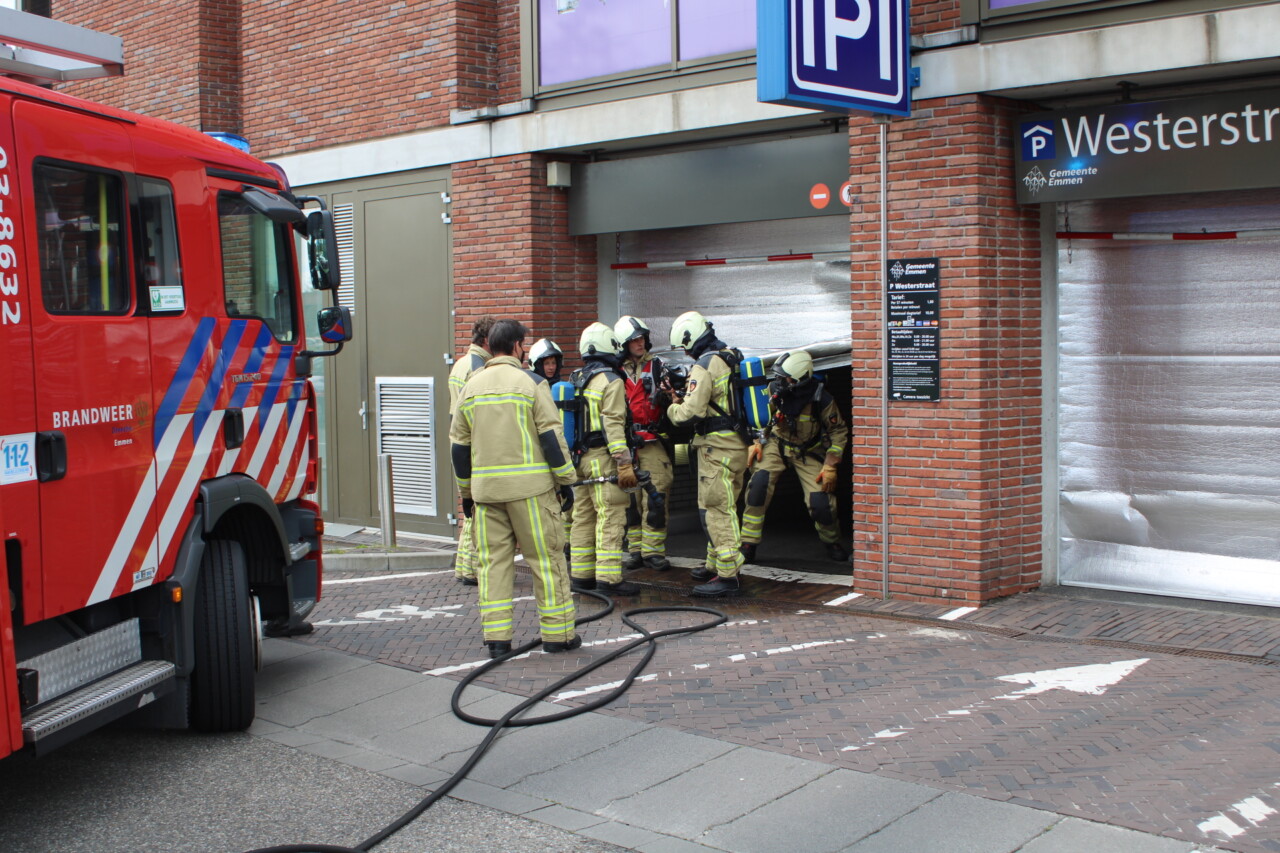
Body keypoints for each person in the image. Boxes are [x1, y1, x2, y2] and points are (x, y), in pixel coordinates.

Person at [449, 319, 580, 658]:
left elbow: (459, 449)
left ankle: (497, 640)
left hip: (487, 495)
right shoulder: (531, 384)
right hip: (531, 493)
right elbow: (551, 438)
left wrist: (466, 494)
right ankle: (559, 636)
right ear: (518, 346)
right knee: (547, 562)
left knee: (492, 565)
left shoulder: (471, 387)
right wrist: (566, 481)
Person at [664, 311, 749, 598]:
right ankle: (714, 563)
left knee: (716, 510)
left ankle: (728, 575)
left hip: (716, 449)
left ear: (691, 339)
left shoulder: (704, 365)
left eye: (685, 347)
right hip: (736, 446)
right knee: (723, 506)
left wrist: (672, 407)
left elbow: (691, 413)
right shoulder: (729, 356)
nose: (686, 353)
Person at [739, 350, 849, 563]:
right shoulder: (773, 390)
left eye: (786, 378)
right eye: (779, 377)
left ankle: (832, 541)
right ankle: (748, 543)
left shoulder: (821, 398)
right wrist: (756, 441)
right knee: (759, 485)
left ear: (800, 379)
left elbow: (838, 431)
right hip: (776, 444)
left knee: (820, 501)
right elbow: (762, 418)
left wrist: (831, 464)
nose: (780, 382)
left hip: (808, 450)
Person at [567, 322, 641, 596]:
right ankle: (609, 579)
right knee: (610, 515)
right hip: (603, 459)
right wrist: (624, 463)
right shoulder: (611, 380)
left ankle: (581, 575)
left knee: (583, 517)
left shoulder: (576, 378)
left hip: (579, 460)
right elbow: (613, 424)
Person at [614, 316, 672, 572]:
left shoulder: (658, 366)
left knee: (657, 496)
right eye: (634, 340)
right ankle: (635, 550)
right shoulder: (615, 371)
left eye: (642, 338)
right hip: (626, 443)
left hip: (652, 441)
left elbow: (672, 399)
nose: (640, 343)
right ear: (623, 344)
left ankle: (654, 551)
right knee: (630, 501)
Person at [447, 315, 496, 586]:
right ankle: (474, 568)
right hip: (474, 443)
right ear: (487, 339)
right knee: (478, 509)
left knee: (471, 509)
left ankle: (465, 567)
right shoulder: (479, 367)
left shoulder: (460, 363)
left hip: (460, 440)